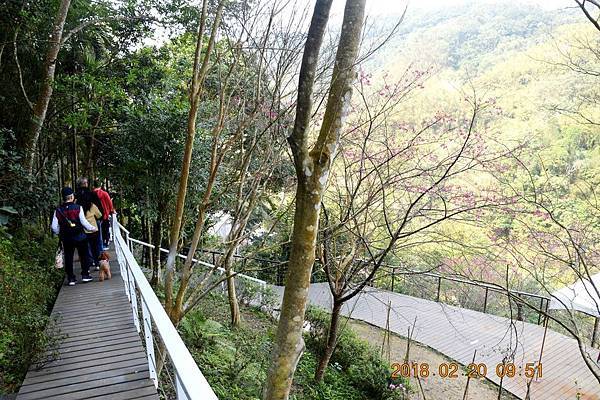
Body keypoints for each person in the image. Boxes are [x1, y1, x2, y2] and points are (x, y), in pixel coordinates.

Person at [51, 187, 98, 286]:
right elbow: (84, 222)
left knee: (68, 257)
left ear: (63, 198)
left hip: (67, 238)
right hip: (80, 236)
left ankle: (71, 278)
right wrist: (92, 228)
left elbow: (54, 227)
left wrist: (60, 232)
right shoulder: (78, 207)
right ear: (72, 196)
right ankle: (85, 275)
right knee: (84, 255)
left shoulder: (58, 210)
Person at [76, 177, 104, 256]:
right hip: (94, 220)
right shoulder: (91, 193)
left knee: (86, 242)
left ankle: (89, 258)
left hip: (81, 221)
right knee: (97, 241)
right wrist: (100, 217)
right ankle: (98, 257)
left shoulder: (76, 196)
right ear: (85, 184)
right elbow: (98, 206)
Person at [78, 191, 103, 270]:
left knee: (86, 249)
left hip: (83, 231)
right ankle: (97, 264)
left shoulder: (78, 207)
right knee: (95, 248)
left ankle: (89, 263)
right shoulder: (92, 206)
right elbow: (99, 215)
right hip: (93, 230)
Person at [93, 180, 115, 250]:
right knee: (105, 230)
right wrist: (111, 210)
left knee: (98, 230)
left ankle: (98, 244)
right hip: (105, 215)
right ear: (100, 185)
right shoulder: (104, 193)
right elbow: (109, 203)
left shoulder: (92, 194)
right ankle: (105, 244)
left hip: (95, 216)